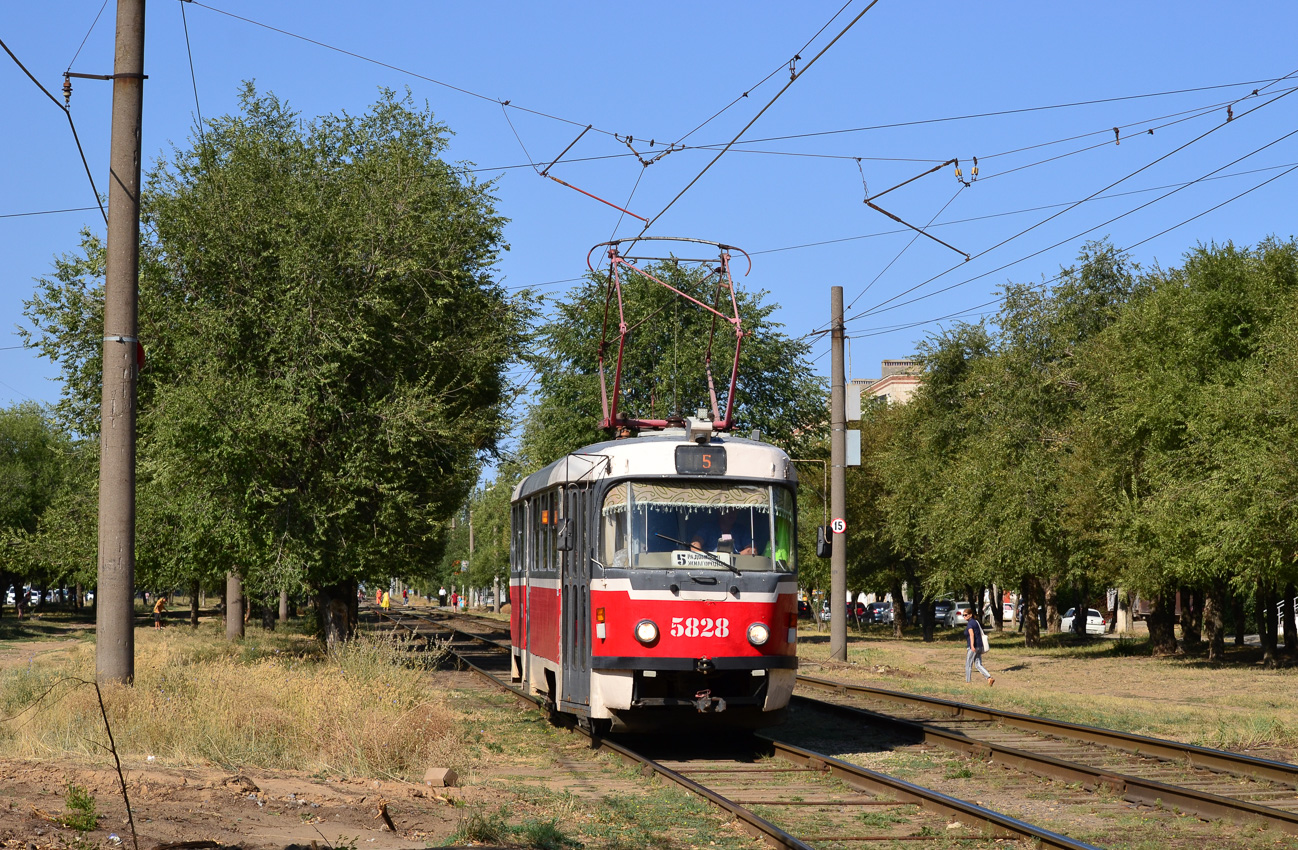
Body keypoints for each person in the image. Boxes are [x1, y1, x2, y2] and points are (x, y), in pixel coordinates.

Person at [965, 615, 993, 686]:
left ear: (970, 615)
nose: (964, 616)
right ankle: (989, 678)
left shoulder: (970, 623)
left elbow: (972, 635)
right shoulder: (976, 622)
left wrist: (972, 646)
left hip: (973, 647)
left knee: (968, 664)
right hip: (979, 646)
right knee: (978, 664)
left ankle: (968, 682)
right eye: (963, 615)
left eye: (965, 615)